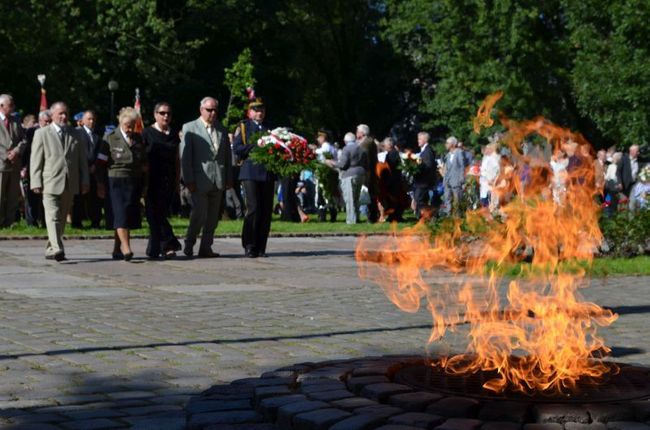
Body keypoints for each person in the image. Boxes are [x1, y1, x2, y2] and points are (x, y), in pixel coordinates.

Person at [30, 102, 89, 261]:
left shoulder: (76, 133)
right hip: (50, 181)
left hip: (70, 182)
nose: (63, 117)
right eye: (60, 113)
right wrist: (35, 181)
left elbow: (82, 160)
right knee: (52, 215)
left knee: (61, 218)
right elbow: (36, 160)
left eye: (66, 114)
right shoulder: (42, 133)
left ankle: (50, 248)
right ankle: (57, 248)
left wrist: (84, 180)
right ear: (52, 115)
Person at [180, 97, 232, 258]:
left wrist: (229, 178)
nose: (213, 113)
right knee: (199, 215)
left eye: (215, 109)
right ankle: (189, 244)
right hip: (199, 180)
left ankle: (206, 247)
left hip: (218, 180)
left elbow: (227, 157)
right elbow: (185, 157)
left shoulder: (222, 129)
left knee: (212, 218)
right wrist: (188, 180)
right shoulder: (190, 127)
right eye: (209, 110)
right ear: (201, 110)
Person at [96, 107, 146, 261]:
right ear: (120, 123)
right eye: (126, 125)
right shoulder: (110, 138)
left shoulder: (138, 139)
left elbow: (143, 164)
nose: (129, 128)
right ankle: (126, 247)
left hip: (133, 181)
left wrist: (144, 185)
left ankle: (117, 248)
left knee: (127, 215)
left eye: (132, 125)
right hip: (115, 181)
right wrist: (99, 184)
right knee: (120, 214)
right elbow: (100, 163)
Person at [233, 97, 274, 258]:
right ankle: (249, 245)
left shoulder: (270, 127)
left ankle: (261, 246)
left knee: (265, 211)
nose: (260, 113)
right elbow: (237, 148)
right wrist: (256, 145)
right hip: (250, 172)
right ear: (250, 112)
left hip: (267, 173)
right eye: (256, 110)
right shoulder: (244, 127)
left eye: (262, 110)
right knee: (254, 208)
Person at [143, 102, 182, 259]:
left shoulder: (173, 135)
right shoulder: (147, 133)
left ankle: (153, 249)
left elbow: (176, 159)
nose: (166, 116)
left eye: (169, 113)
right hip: (151, 180)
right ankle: (168, 244)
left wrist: (177, 181)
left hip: (168, 180)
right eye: (162, 113)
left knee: (160, 214)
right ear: (155, 115)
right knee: (154, 214)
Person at [326, 132, 366, 224]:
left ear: (345, 140)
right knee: (356, 198)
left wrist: (331, 162)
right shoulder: (361, 148)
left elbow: (343, 165)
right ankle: (357, 217)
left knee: (350, 199)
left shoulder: (346, 149)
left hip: (349, 175)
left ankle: (351, 220)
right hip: (360, 174)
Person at [72, 110, 102, 228]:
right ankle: (77, 222)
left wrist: (96, 165)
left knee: (94, 198)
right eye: (89, 119)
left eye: (93, 119)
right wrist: (85, 166)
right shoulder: (77, 133)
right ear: (82, 121)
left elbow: (100, 152)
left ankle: (95, 221)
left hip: (94, 171)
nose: (92, 121)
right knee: (79, 198)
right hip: (81, 171)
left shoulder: (98, 135)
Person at [0, 94, 27, 227]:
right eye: (10, 105)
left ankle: (9, 222)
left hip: (15, 164)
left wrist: (16, 151)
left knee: (12, 196)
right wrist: (6, 155)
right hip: (1, 164)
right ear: (1, 106)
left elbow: (23, 140)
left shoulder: (16, 120)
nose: (13, 107)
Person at [22, 110, 51, 227]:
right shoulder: (31, 132)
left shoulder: (53, 132)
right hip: (33, 167)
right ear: (39, 121)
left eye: (50, 121)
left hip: (48, 169)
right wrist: (24, 167)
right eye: (46, 122)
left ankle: (45, 222)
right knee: (32, 197)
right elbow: (27, 151)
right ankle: (31, 222)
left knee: (46, 197)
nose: (48, 124)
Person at [412, 132, 438, 219]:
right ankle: (423, 217)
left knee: (419, 198)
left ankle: (432, 213)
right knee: (422, 199)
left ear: (425, 140)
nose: (417, 141)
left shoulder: (428, 151)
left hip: (424, 181)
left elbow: (429, 166)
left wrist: (417, 168)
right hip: (422, 180)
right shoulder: (424, 150)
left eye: (419, 139)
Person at [357, 124, 378, 222]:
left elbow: (363, 158)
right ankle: (372, 215)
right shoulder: (369, 141)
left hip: (367, 172)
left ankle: (372, 216)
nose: (356, 133)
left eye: (357, 131)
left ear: (362, 132)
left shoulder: (366, 143)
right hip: (369, 171)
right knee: (369, 194)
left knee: (369, 194)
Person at [441, 136, 466, 216]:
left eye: (447, 143)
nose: (445, 144)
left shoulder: (459, 152)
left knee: (457, 199)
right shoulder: (447, 155)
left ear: (452, 144)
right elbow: (446, 168)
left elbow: (462, 166)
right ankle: (448, 214)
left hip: (456, 180)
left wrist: (461, 179)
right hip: (447, 180)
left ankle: (458, 215)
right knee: (447, 198)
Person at [479, 142, 500, 208]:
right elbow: (484, 169)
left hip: (491, 181)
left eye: (487, 148)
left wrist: (492, 179)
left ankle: (494, 213)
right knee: (484, 199)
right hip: (485, 181)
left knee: (493, 200)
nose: (486, 150)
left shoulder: (495, 157)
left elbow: (497, 170)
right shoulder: (486, 157)